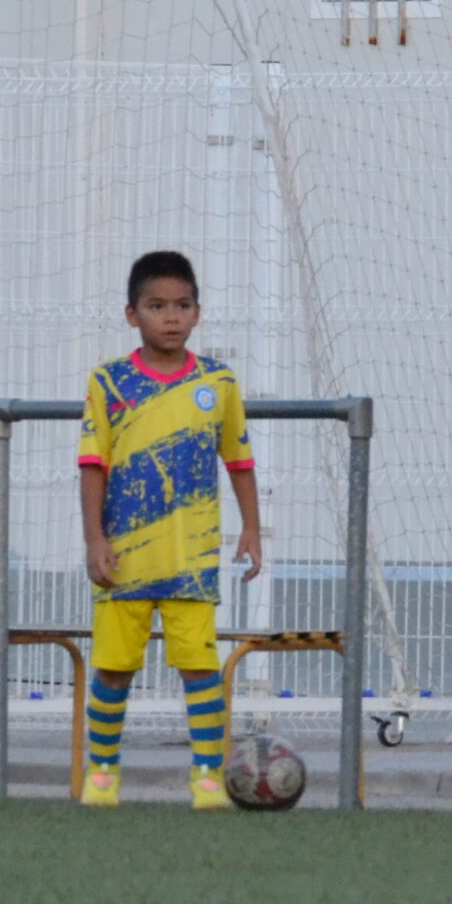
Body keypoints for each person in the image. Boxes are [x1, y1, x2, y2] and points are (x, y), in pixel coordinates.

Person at [77, 250, 262, 810]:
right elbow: (93, 465)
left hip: (191, 558)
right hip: (125, 559)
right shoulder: (110, 381)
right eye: (157, 306)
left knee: (200, 669)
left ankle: (207, 777)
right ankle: (101, 772)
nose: (171, 317)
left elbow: (238, 459)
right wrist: (94, 539)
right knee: (113, 669)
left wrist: (252, 528)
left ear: (198, 313)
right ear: (132, 314)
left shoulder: (217, 381)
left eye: (182, 305)